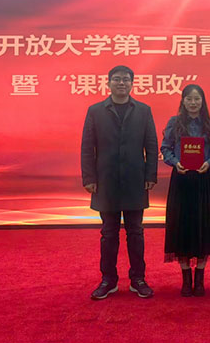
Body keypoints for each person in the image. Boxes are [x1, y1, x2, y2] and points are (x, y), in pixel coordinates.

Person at [81, 65, 158, 300]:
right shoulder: (95, 111)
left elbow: (151, 146)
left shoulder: (143, 111)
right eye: (117, 79)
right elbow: (87, 147)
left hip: (135, 180)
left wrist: (150, 176)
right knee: (108, 233)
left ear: (132, 83)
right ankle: (108, 280)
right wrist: (89, 178)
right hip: (106, 181)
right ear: (109, 83)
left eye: (125, 79)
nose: (121, 83)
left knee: (136, 232)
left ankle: (138, 279)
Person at [161, 84, 210, 297]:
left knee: (204, 227)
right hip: (181, 180)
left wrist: (209, 163)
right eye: (189, 99)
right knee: (182, 227)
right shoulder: (174, 123)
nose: (193, 102)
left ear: (202, 101)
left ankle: (200, 279)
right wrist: (175, 162)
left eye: (197, 98)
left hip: (203, 181)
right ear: (183, 101)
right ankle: (186, 279)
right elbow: (165, 148)